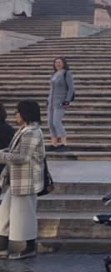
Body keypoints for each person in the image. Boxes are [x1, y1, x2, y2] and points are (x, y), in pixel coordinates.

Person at [0, 100, 46, 260]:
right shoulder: (24, 130)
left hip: (26, 181)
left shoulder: (32, 132)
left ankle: (29, 248)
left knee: (24, 215)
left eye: (18, 112)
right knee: (4, 213)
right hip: (17, 180)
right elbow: (14, 151)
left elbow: (23, 157)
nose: (16, 115)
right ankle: (3, 247)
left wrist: (1, 156)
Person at [47, 56, 75, 151]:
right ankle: (54, 143)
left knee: (56, 122)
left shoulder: (66, 73)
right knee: (50, 123)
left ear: (63, 63)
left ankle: (64, 143)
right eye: (56, 62)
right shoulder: (54, 74)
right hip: (51, 101)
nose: (57, 64)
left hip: (61, 102)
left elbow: (71, 88)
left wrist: (67, 101)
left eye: (59, 62)